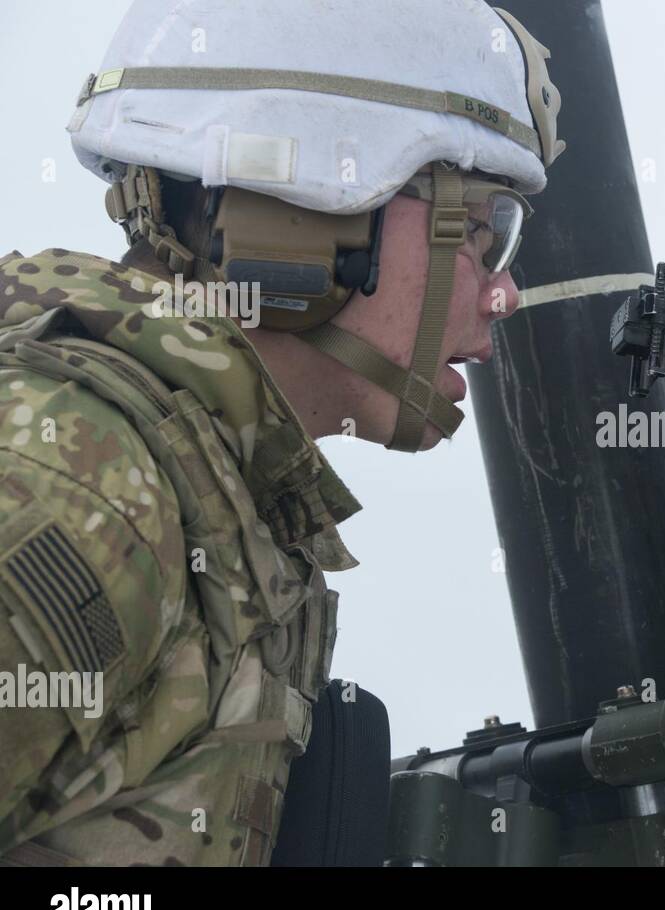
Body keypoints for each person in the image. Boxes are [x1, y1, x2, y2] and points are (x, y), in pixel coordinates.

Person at [0, 0, 563, 865]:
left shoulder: (214, 496)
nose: (503, 290)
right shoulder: (85, 486)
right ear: (317, 216)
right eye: (483, 230)